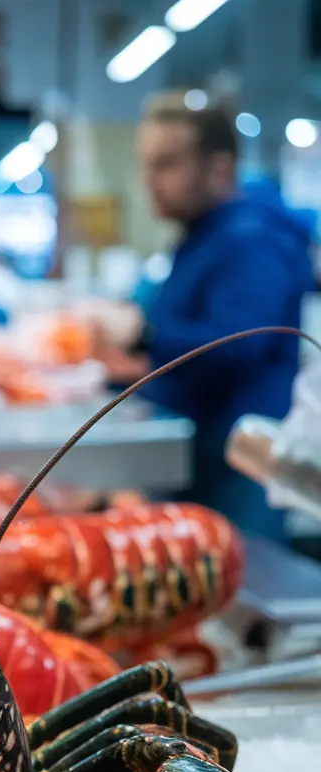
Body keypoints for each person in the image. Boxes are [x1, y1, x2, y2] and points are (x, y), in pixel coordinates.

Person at [84, 96, 314, 542]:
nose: (150, 180)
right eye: (147, 164)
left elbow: (239, 345)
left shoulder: (252, 239)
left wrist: (142, 333)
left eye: (167, 163)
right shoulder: (202, 236)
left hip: (238, 470)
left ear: (219, 169)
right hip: (200, 460)